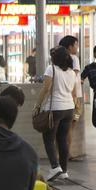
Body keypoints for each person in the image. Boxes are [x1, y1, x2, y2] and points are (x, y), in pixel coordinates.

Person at [34, 46, 78, 181]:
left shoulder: (51, 69)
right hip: (69, 108)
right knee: (62, 139)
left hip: (55, 109)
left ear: (54, 57)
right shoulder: (71, 72)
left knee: (48, 139)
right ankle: (64, 171)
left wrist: (38, 105)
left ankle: (54, 167)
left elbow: (46, 88)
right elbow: (74, 93)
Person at [58, 35, 83, 161]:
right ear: (70, 47)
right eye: (76, 45)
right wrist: (74, 98)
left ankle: (62, 153)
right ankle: (67, 153)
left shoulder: (58, 59)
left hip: (62, 98)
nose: (77, 47)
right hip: (74, 98)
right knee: (70, 127)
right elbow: (74, 76)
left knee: (63, 128)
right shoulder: (73, 58)